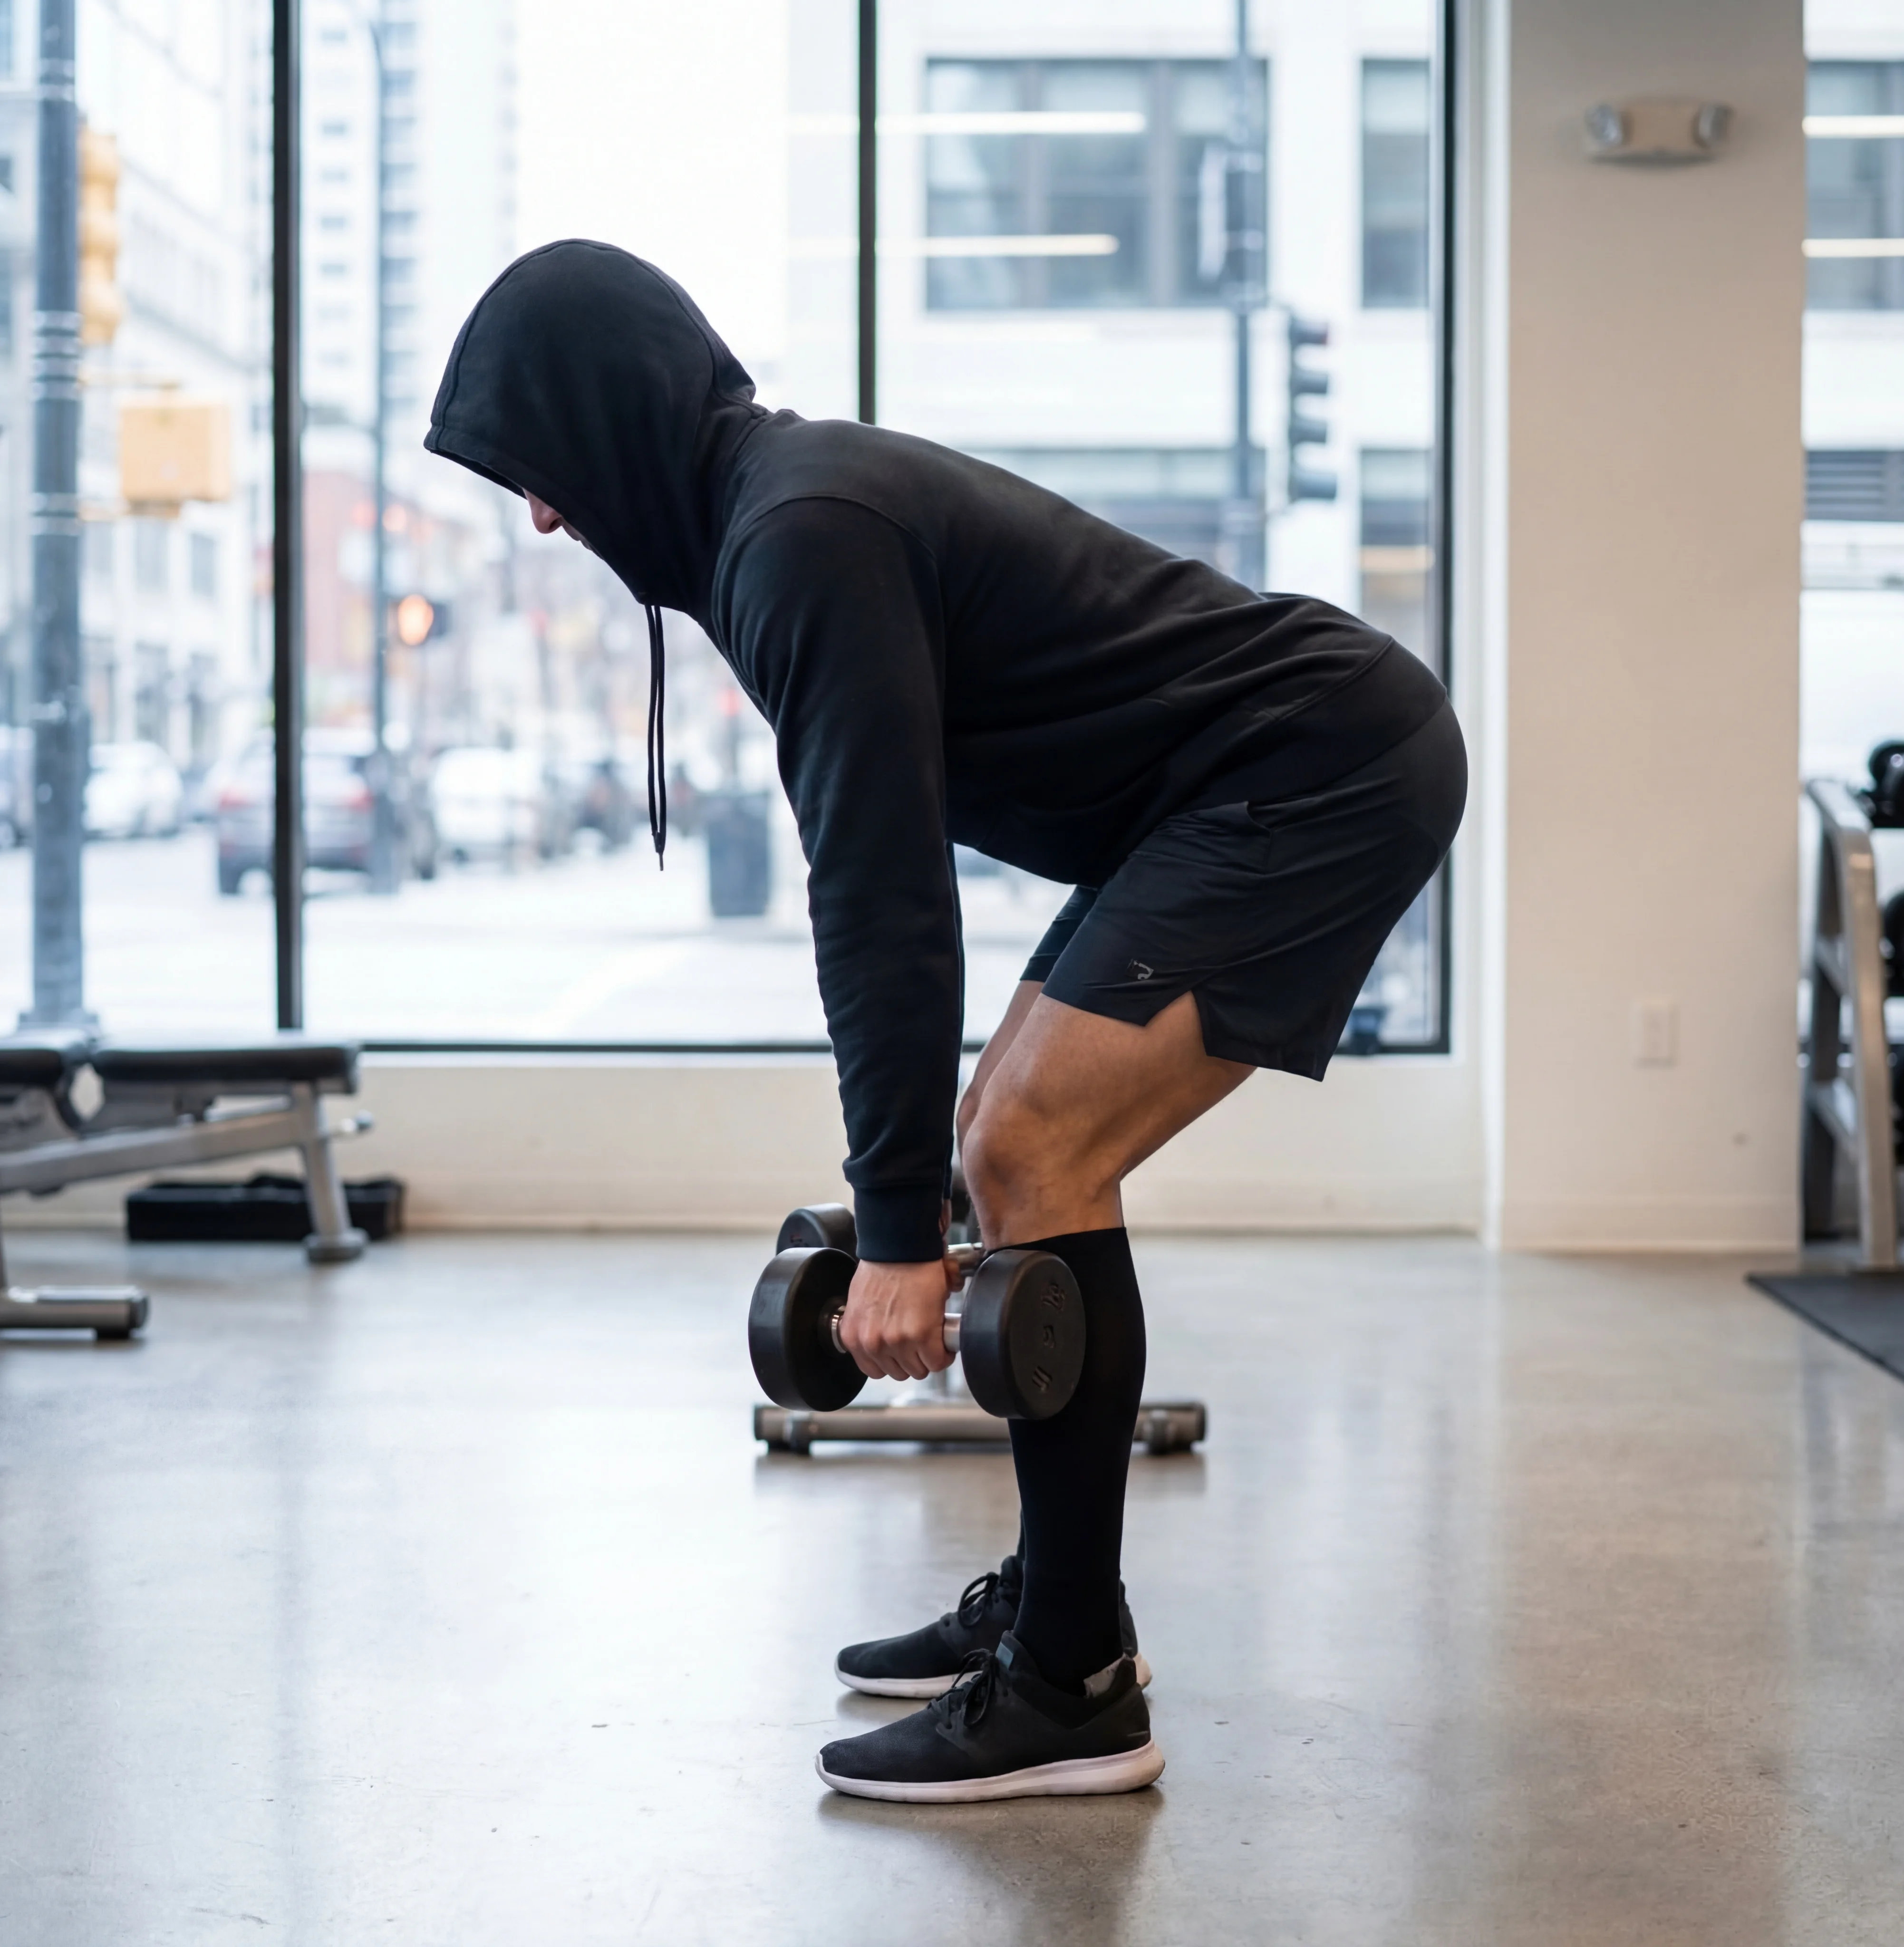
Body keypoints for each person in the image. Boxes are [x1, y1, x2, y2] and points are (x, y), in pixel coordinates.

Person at [425, 240, 1467, 1805]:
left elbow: (886, 898)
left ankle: (1070, 1691)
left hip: (1311, 765)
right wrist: (919, 1195)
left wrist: (903, 1239)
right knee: (1004, 1148)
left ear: (616, 419)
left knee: (1030, 1147)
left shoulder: (797, 540)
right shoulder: (769, 524)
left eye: (546, 466)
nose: (545, 515)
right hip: (1215, 788)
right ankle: (1068, 1610)